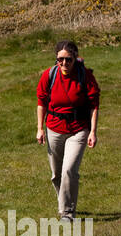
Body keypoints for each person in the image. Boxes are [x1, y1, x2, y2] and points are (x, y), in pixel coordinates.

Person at [35, 40, 99, 220]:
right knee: (56, 174)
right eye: (60, 59)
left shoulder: (84, 76)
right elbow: (41, 103)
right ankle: (64, 202)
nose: (64, 63)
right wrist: (40, 128)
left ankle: (68, 212)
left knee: (69, 169)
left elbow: (94, 104)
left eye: (68, 60)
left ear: (75, 59)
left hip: (78, 130)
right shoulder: (49, 75)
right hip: (54, 129)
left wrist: (93, 131)